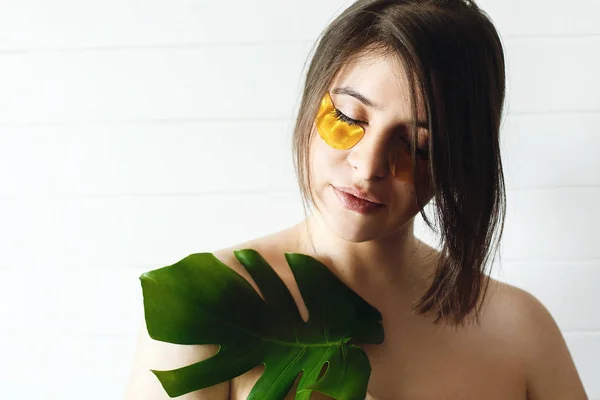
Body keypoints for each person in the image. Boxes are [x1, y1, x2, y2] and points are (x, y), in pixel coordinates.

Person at [124, 0, 589, 399]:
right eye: (348, 117)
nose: (368, 168)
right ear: (312, 98)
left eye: (418, 146)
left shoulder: (520, 329)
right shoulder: (209, 306)